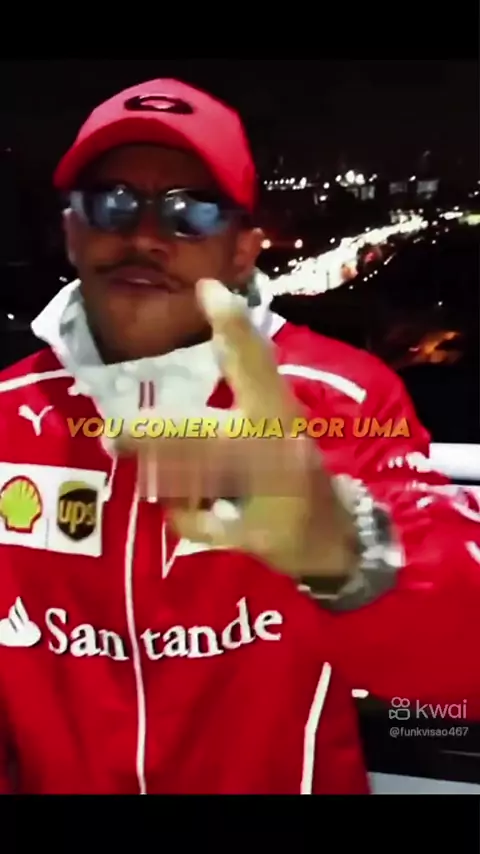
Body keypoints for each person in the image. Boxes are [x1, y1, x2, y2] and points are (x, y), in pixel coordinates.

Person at [0, 79, 478, 795]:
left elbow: (463, 666)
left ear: (243, 251)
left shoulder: (342, 399)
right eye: (112, 203)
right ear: (71, 231)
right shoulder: (7, 415)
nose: (144, 236)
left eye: (191, 212)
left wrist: (341, 549)